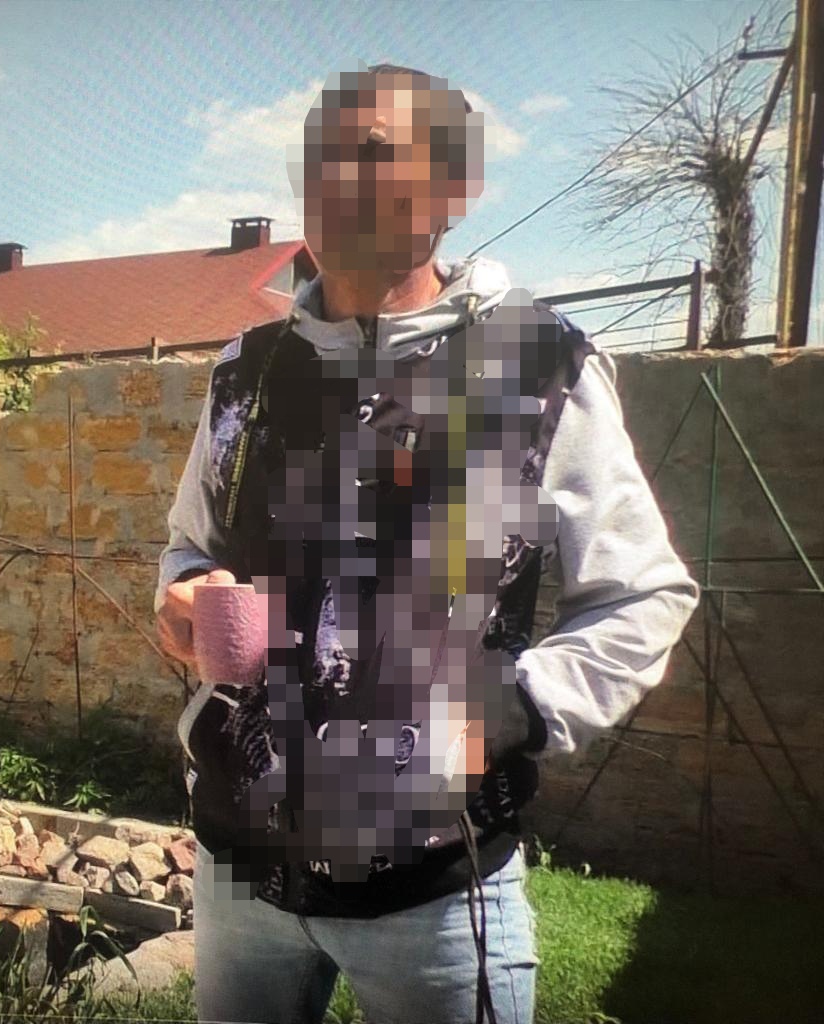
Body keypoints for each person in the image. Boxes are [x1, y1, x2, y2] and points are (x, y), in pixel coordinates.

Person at [155, 62, 700, 1024]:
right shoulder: (247, 372)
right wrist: (186, 595)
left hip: (437, 894)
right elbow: (188, 547)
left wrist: (518, 707)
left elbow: (643, 594)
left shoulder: (536, 365)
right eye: (320, 158)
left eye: (371, 154)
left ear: (453, 189)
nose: (336, 178)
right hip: (238, 874)